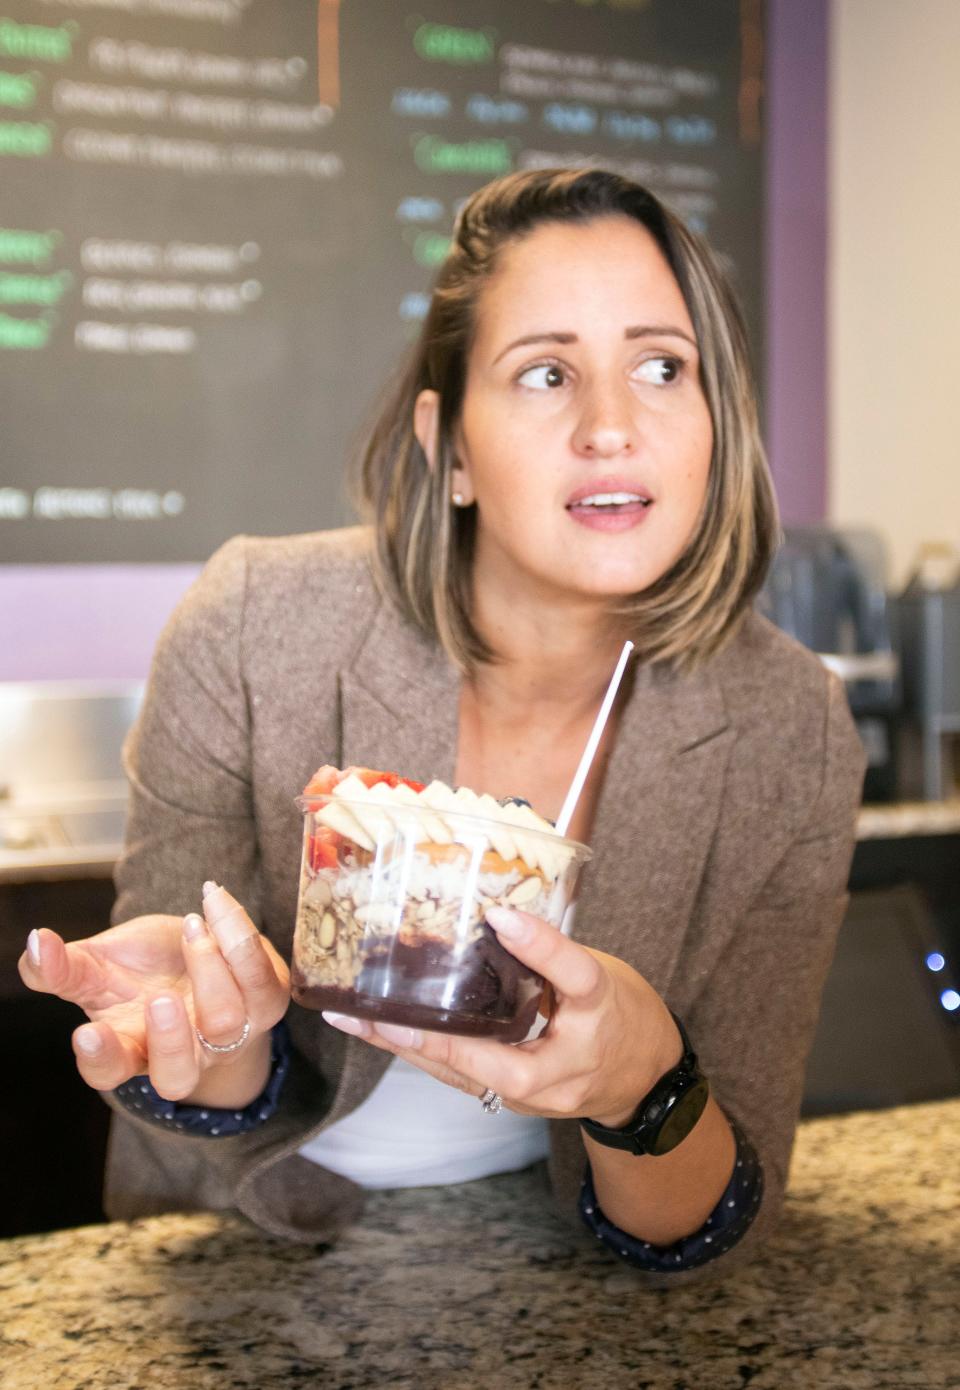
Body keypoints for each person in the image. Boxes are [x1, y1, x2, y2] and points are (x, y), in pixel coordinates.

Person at [19, 168, 865, 1283]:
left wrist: (642, 1082)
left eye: (664, 367)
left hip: (560, 1277)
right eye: (546, 373)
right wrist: (213, 1033)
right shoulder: (253, 627)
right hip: (244, 1258)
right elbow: (187, 1061)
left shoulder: (788, 728)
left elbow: (710, 1216)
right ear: (449, 445)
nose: (613, 426)